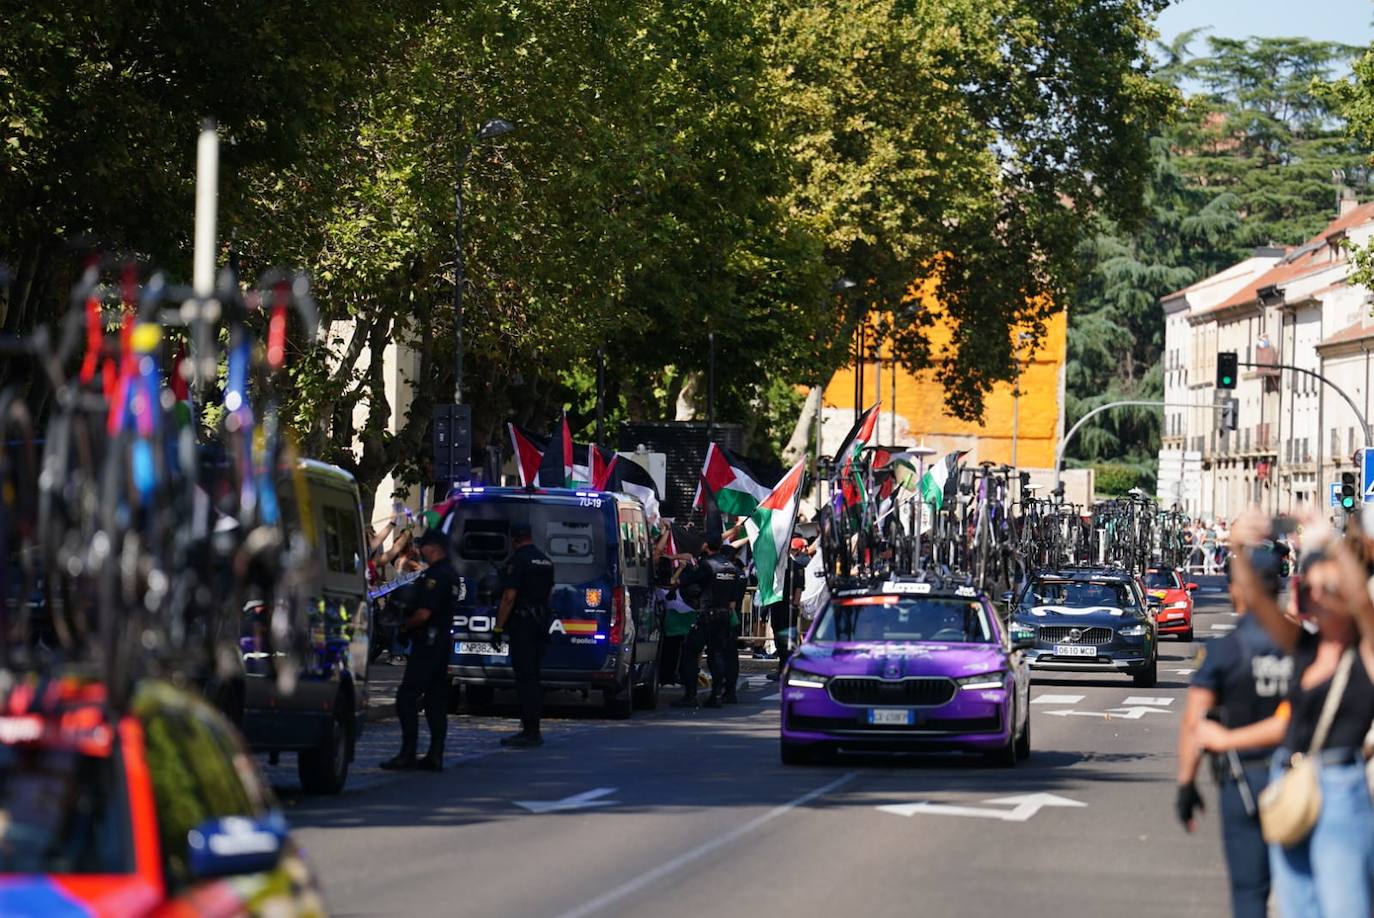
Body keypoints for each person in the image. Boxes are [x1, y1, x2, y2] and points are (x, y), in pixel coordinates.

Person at [1206, 511, 1374, 917]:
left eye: (1326, 588)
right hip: (1290, 782)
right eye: (1311, 589)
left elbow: (1363, 601)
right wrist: (1237, 547)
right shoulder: (1302, 646)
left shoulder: (1364, 654)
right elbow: (1257, 603)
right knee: (1297, 907)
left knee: (1344, 906)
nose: (1316, 596)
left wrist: (1331, 543)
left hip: (1338, 787)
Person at [1176, 541, 1291, 918]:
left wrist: (1187, 783)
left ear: (1236, 590)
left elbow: (1195, 721)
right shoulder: (1305, 648)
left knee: (1249, 891)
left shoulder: (1223, 650)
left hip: (1242, 781)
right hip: (1301, 780)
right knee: (1304, 891)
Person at [381, 528, 465, 772]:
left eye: (424, 546)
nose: (421, 550)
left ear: (434, 547)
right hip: (440, 646)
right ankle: (435, 754)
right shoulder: (451, 573)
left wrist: (405, 627)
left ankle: (408, 753)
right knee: (436, 701)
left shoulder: (436, 576)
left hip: (427, 645)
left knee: (406, 697)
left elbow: (423, 613)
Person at [492, 521, 555, 748]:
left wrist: (499, 627)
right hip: (540, 624)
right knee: (534, 678)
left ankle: (530, 731)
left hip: (523, 624)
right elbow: (548, 595)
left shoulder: (518, 560)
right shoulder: (545, 561)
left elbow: (509, 597)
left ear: (515, 538)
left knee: (525, 679)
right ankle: (532, 727)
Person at [671, 535, 740, 708]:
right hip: (724, 616)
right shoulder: (731, 567)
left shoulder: (707, 565)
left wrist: (679, 576)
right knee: (716, 654)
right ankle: (716, 695)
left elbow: (686, 582)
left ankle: (691, 695)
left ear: (706, 546)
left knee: (689, 652)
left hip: (707, 615)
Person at [765, 538, 811, 682]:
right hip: (780, 606)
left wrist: (794, 606)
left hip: (785, 607)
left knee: (786, 641)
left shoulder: (795, 567)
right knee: (781, 640)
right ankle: (783, 668)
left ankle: (787, 669)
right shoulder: (778, 567)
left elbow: (798, 588)